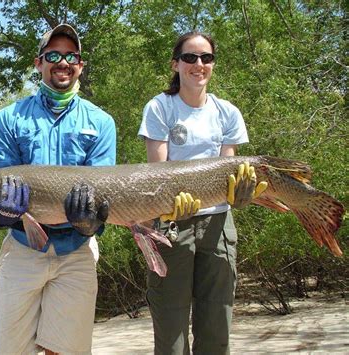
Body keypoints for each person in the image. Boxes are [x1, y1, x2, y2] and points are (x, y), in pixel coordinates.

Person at [0, 24, 116, 354]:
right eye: (53, 55)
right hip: (24, 248)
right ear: (38, 63)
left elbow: (103, 190)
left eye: (72, 56)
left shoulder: (101, 122)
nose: (63, 62)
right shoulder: (9, 118)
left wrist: (91, 220)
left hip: (77, 250)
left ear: (81, 65)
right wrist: (5, 214)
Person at [138, 31, 266, 354]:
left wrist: (241, 193)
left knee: (215, 333)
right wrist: (169, 205)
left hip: (219, 225)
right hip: (171, 226)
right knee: (171, 338)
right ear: (176, 64)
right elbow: (158, 174)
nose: (199, 64)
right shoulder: (159, 108)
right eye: (190, 57)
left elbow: (229, 173)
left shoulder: (228, 113)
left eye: (206, 58)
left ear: (212, 65)